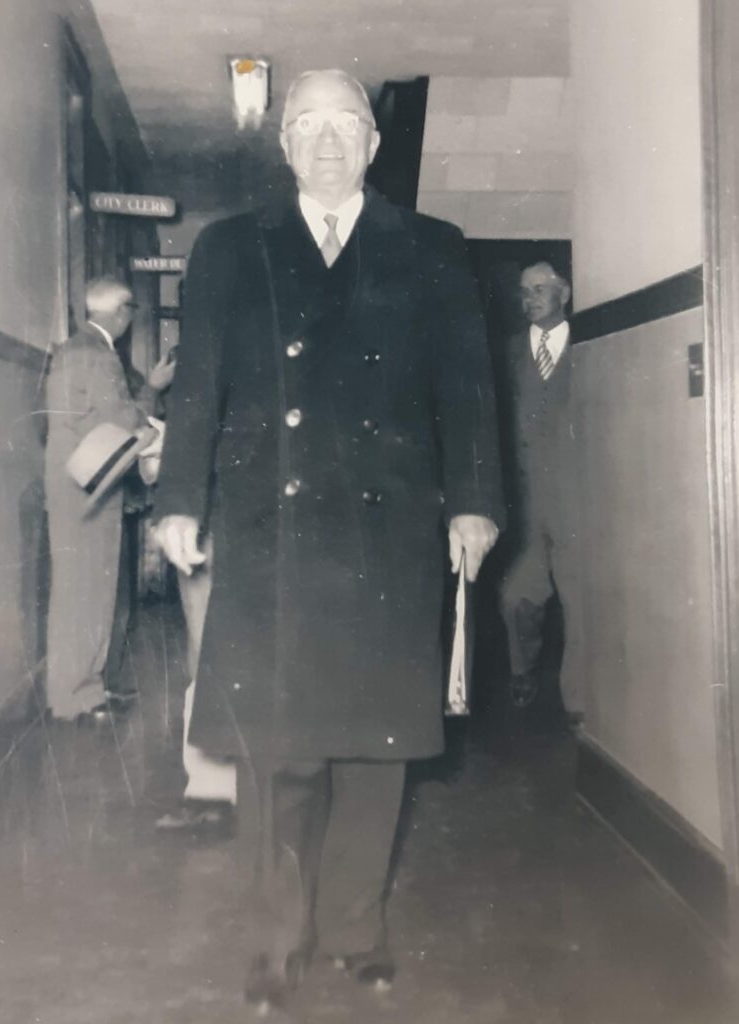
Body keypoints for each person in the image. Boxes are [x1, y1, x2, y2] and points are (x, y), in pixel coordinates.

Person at [153, 69, 504, 1011]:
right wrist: (179, 499)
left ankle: (355, 930)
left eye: (344, 124)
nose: (326, 140)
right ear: (284, 146)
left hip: (389, 536)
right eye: (305, 124)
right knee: (281, 755)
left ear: (373, 144)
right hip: (276, 532)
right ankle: (276, 943)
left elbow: (469, 390)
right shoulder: (232, 247)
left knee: (374, 753)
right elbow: (198, 388)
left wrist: (474, 502)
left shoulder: (433, 248)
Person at [43, 277, 173, 721]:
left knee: (81, 592)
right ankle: (76, 697)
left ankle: (86, 689)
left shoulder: (71, 350)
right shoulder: (99, 356)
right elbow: (123, 420)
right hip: (89, 492)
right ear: (121, 313)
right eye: (131, 312)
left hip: (74, 490)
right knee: (87, 594)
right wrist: (152, 393)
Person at [499, 259, 583, 723]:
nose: (529, 298)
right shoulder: (509, 353)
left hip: (577, 504)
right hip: (529, 506)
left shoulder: (587, 347)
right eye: (523, 291)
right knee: (516, 596)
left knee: (579, 601)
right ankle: (522, 670)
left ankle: (578, 703)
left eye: (539, 289)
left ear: (563, 293)